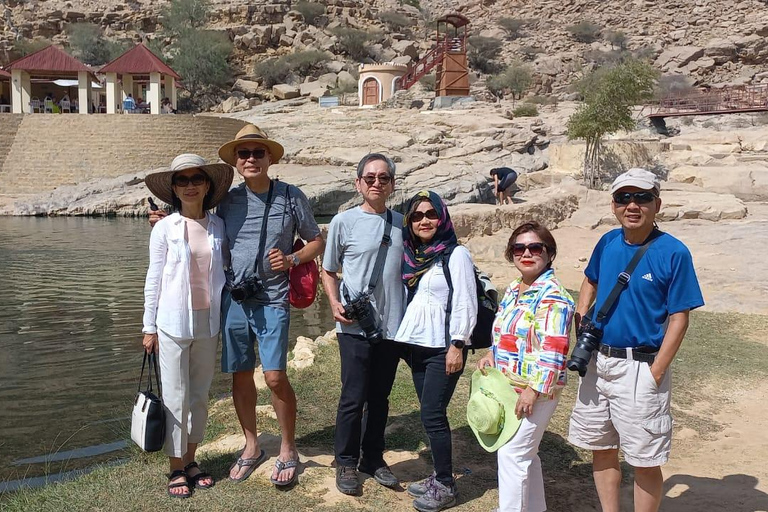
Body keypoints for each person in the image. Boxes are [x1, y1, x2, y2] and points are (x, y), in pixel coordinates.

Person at [150, 124, 324, 487]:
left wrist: (293, 259)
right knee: (240, 375)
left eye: (258, 152)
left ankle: (288, 448)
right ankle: (251, 445)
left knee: (275, 376)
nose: (250, 159)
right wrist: (165, 222)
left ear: (270, 157)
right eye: (243, 154)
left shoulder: (292, 197)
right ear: (235, 161)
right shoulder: (226, 201)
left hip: (273, 299)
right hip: (234, 301)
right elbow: (196, 221)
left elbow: (316, 241)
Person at [567, 168, 704, 512]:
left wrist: (656, 371)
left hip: (640, 367)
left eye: (641, 197)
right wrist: (581, 320)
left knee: (644, 458)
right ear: (613, 205)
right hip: (598, 363)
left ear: (657, 204)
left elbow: (679, 317)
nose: (632, 205)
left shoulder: (673, 252)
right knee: (602, 447)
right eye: (623, 197)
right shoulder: (608, 242)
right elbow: (591, 281)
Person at [142, 153, 234, 498]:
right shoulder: (164, 228)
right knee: (175, 396)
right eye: (183, 180)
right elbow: (153, 279)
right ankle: (175, 467)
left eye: (197, 179)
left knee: (199, 395)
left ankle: (192, 460)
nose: (191, 185)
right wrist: (148, 326)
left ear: (207, 185)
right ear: (174, 188)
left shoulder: (218, 225)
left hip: (208, 323)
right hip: (170, 323)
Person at [321, 153, 406, 496]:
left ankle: (372, 457)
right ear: (358, 184)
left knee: (381, 397)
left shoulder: (402, 223)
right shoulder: (344, 221)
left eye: (382, 178)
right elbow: (328, 269)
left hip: (393, 327)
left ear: (392, 185)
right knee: (353, 397)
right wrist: (333, 302)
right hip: (354, 327)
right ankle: (345, 461)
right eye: (369, 178)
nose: (375, 183)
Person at [476, 221, 575, 512]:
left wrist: (533, 390)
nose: (527, 253)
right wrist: (493, 354)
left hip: (536, 391)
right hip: (509, 386)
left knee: (512, 454)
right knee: (525, 454)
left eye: (535, 247)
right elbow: (507, 332)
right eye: (519, 248)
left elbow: (555, 348)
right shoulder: (514, 290)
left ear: (549, 253)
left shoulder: (553, 295)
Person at [396, 190, 477, 512]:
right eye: (417, 216)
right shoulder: (414, 256)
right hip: (418, 346)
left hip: (443, 347)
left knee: (432, 414)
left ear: (441, 217)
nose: (424, 220)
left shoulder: (455, 254)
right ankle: (438, 475)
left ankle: (445, 483)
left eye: (430, 214)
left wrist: (457, 344)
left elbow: (465, 301)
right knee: (431, 414)